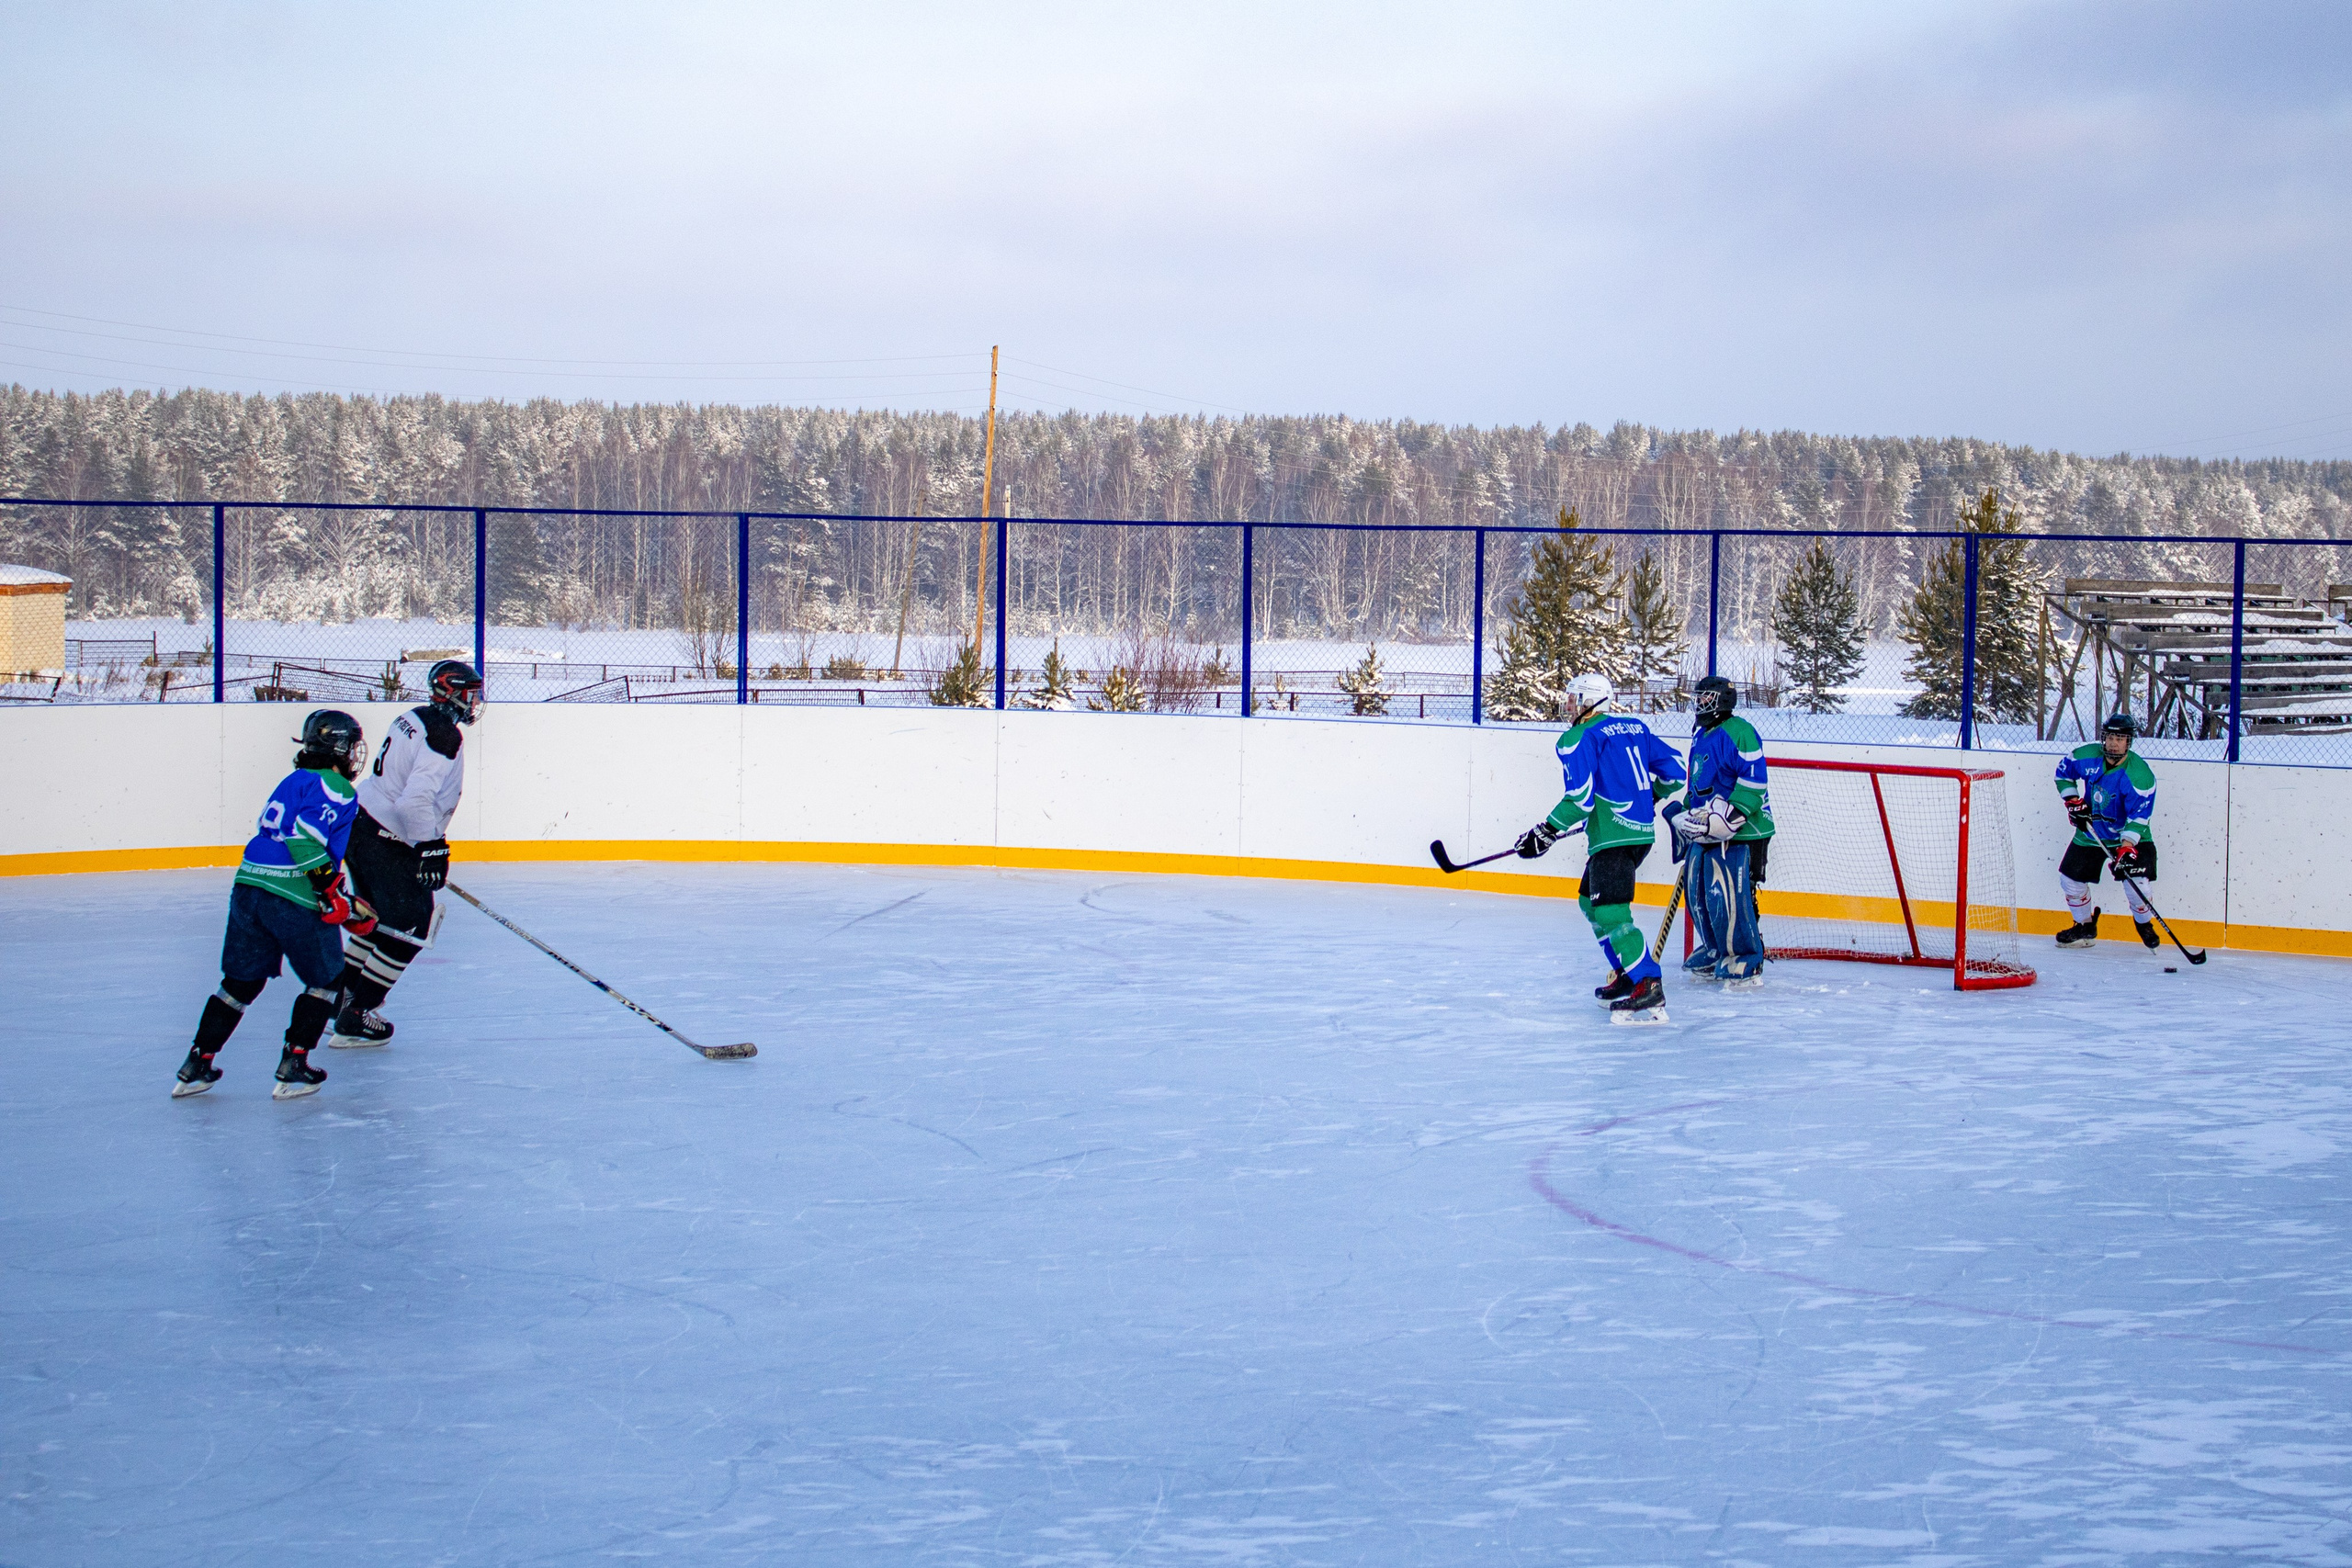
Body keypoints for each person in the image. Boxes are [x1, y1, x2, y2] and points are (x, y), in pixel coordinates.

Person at [173, 710, 377, 1100]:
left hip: (249, 886)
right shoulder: (336, 786)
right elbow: (303, 839)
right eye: (351, 746)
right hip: (292, 894)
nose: (354, 754)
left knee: (241, 982)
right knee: (327, 980)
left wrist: (335, 890)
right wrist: (331, 892)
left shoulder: (293, 779)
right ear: (338, 747)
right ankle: (294, 1064)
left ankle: (197, 1063)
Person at [1513, 671, 1689, 1022]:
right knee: (1589, 902)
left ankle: (1648, 984)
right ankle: (1628, 974)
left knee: (1611, 913)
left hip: (1613, 837)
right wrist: (1648, 798)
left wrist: (1545, 831)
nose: (1568, 705)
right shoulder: (1635, 728)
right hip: (1637, 835)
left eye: (1573, 698)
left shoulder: (1579, 737)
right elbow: (1676, 772)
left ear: (1589, 701)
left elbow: (1581, 799)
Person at [333, 659, 484, 1045]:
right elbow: (413, 801)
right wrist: (430, 847)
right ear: (450, 692)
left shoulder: (413, 716)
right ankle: (357, 1013)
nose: (475, 701)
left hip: (361, 824)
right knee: (411, 926)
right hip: (386, 836)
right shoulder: (445, 736)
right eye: (470, 693)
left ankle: (340, 999)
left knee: (377, 918)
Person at [1673, 674, 1776, 985]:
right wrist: (1688, 812)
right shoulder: (1701, 734)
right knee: (1700, 892)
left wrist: (1731, 816)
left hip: (1745, 832)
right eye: (1698, 698)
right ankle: (1716, 948)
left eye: (1706, 698)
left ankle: (1745, 956)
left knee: (1732, 895)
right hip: (1708, 831)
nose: (1699, 703)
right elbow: (1699, 781)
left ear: (1722, 701)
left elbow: (1754, 782)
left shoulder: (1741, 732)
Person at [2053, 711, 2160, 949]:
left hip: (2131, 837)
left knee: (2137, 884)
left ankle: (2144, 925)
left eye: (2119, 738)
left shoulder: (2140, 775)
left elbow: (2139, 816)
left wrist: (2127, 846)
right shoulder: (2087, 756)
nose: (2113, 743)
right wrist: (2073, 801)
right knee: (2070, 880)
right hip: (2091, 833)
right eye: (2110, 737)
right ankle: (2084, 927)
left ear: (2128, 742)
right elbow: (2063, 773)